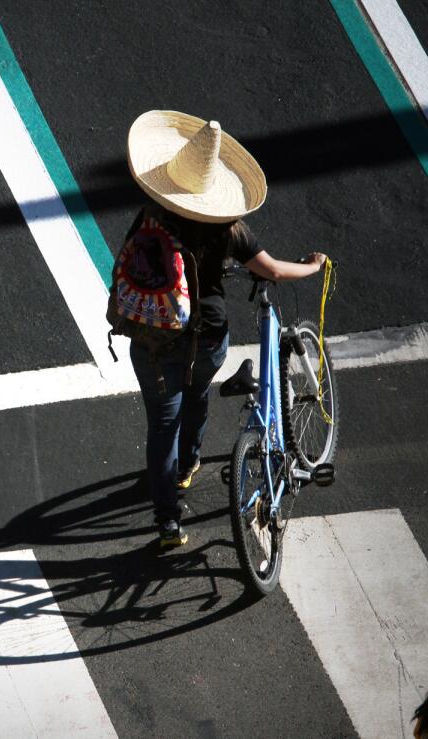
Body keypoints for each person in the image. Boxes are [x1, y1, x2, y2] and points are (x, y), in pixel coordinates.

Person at [121, 110, 328, 549]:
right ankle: (187, 467)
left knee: (162, 425)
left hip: (154, 339)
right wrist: (312, 267)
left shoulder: (150, 218)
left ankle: (168, 524)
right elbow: (271, 270)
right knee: (196, 397)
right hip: (207, 339)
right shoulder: (230, 230)